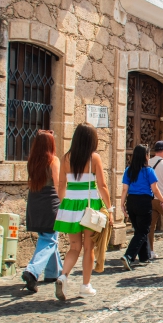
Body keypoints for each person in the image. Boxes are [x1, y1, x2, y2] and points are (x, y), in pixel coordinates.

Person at [53, 123, 114, 300]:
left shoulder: (66, 158)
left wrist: (64, 203)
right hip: (89, 206)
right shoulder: (94, 158)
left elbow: (62, 185)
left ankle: (63, 276)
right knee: (89, 247)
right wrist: (109, 210)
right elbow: (102, 186)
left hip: (71, 206)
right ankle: (85, 286)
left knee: (74, 247)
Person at [22, 130, 62, 293]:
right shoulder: (53, 160)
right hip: (50, 203)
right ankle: (32, 271)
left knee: (48, 237)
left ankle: (54, 273)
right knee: (50, 238)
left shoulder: (31, 161)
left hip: (35, 202)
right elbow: (58, 185)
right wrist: (64, 203)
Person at [120, 144, 163, 269]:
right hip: (144, 202)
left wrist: (122, 205)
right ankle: (128, 256)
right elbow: (155, 189)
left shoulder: (128, 170)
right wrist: (162, 200)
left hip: (131, 201)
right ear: (145, 156)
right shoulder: (148, 171)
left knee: (139, 230)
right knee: (143, 231)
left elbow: (125, 189)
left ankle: (144, 257)